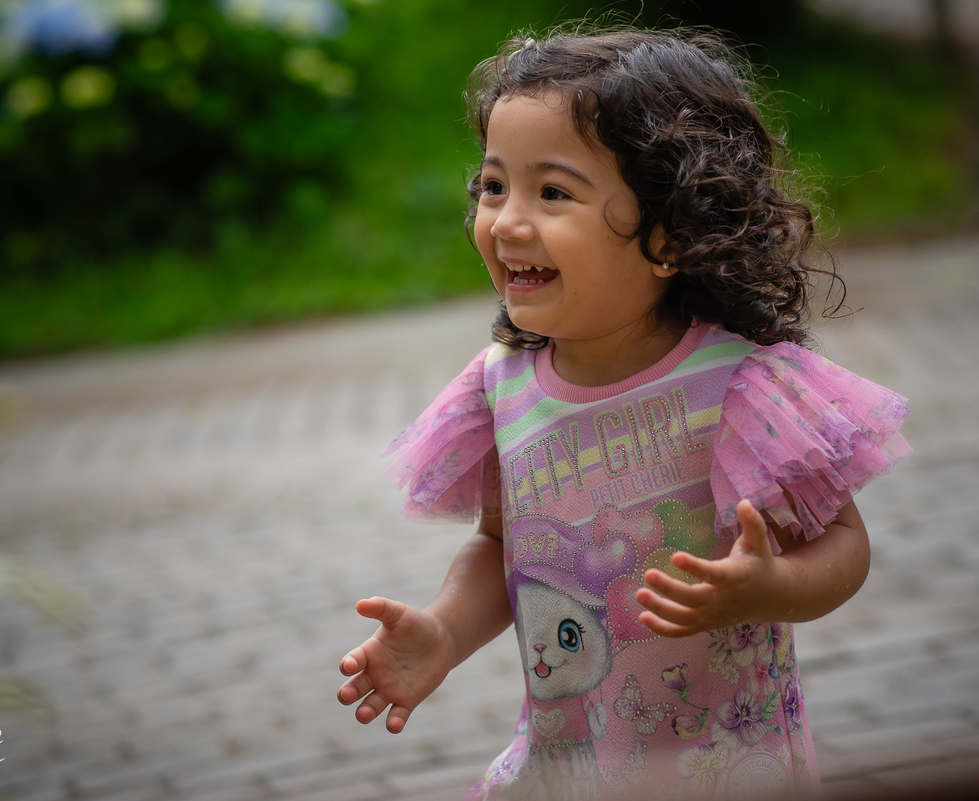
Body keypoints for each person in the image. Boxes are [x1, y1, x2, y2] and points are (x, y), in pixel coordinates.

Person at [337, 26, 911, 800]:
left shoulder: (740, 386)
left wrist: (772, 585)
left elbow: (842, 543)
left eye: (553, 193)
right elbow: (501, 546)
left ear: (668, 236)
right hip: (566, 769)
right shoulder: (500, 386)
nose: (507, 221)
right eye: (493, 186)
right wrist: (443, 630)